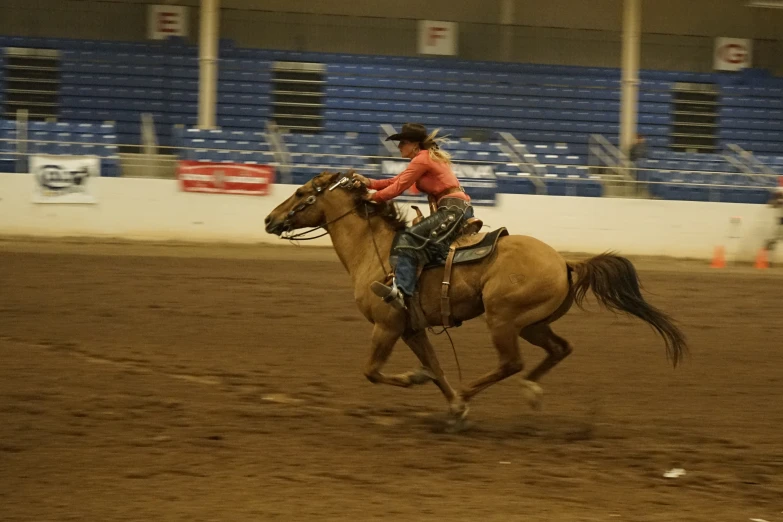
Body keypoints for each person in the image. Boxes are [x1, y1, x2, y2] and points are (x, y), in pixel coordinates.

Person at [353, 123, 474, 311]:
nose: (399, 146)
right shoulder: (423, 159)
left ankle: (401, 291)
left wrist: (372, 196)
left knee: (407, 238)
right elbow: (396, 181)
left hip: (451, 210)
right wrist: (369, 182)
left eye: (403, 142)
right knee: (421, 243)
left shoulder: (422, 159)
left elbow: (397, 188)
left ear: (415, 145)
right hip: (457, 209)